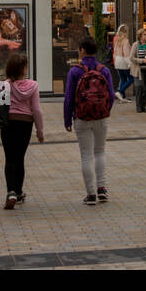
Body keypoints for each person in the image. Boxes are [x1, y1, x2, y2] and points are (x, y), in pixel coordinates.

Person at [64, 36, 114, 205]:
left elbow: (69, 98)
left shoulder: (75, 71)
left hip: (82, 117)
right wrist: (105, 111)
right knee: (100, 151)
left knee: (86, 155)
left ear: (82, 50)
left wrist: (68, 119)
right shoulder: (104, 70)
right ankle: (102, 188)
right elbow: (112, 96)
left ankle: (91, 194)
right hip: (101, 117)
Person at [0, 53, 44, 210]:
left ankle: (10, 192)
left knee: (9, 158)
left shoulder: (2, 85)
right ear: (23, 69)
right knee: (20, 158)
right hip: (25, 124)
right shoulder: (33, 86)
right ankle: (18, 192)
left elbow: (0, 107)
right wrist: (40, 131)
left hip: (8, 123)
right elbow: (36, 110)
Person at [129, 27, 146, 112]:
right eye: (144, 34)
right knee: (139, 88)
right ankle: (138, 106)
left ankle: (143, 106)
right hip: (138, 70)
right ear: (140, 36)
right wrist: (142, 60)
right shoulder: (136, 45)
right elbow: (131, 57)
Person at [112, 25, 134, 101]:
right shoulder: (125, 40)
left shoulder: (117, 40)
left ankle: (123, 97)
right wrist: (130, 64)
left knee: (123, 79)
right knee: (131, 79)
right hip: (124, 61)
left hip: (117, 61)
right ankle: (119, 92)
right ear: (126, 32)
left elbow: (114, 51)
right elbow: (126, 54)